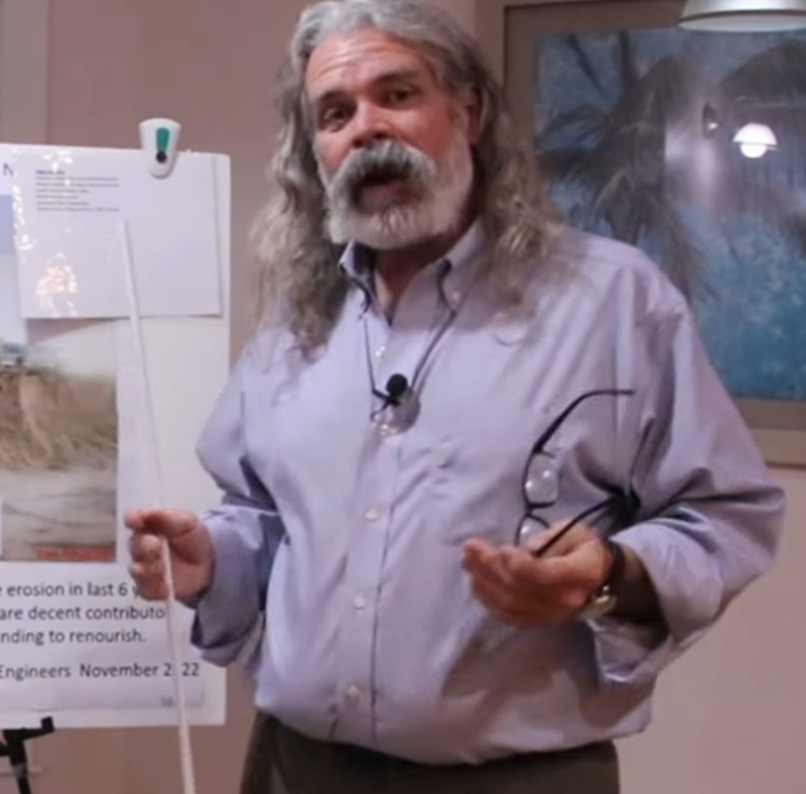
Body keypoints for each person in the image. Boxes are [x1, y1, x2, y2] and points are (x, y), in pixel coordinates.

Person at [124, 1, 787, 791]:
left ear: (466, 111)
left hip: (517, 778)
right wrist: (213, 558)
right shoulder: (296, 321)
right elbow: (265, 516)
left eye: (396, 95)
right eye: (334, 113)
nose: (365, 129)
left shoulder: (610, 301)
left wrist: (610, 573)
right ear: (314, 150)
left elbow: (724, 515)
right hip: (297, 767)